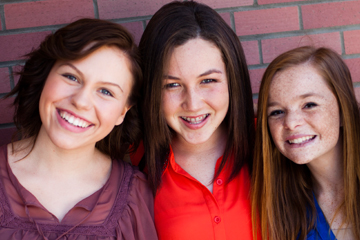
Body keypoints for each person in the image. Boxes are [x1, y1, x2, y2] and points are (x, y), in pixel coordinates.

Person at [1, 18, 157, 239]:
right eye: (71, 77)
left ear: (123, 112)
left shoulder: (137, 196)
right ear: (46, 76)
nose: (81, 101)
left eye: (106, 91)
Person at [138, 1, 256, 239]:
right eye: (172, 85)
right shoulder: (134, 164)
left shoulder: (269, 142)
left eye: (208, 81)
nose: (192, 104)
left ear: (233, 78)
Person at [251, 46, 360, 240]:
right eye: (276, 112)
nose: (291, 123)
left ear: (344, 110)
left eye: (309, 105)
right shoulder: (281, 207)